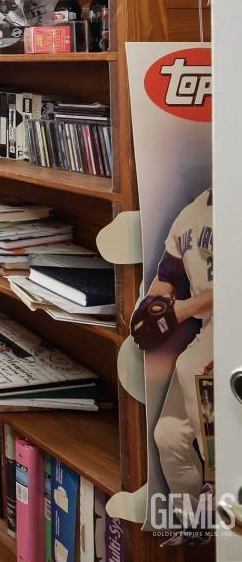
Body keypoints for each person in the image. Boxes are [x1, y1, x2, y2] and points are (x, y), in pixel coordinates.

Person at [132, 188, 213, 498]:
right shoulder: (190, 216)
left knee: (192, 365)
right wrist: (148, 310)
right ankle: (197, 525)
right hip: (210, 328)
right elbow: (166, 276)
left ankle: (226, 483)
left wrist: (182, 310)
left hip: (233, 326)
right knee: (168, 435)